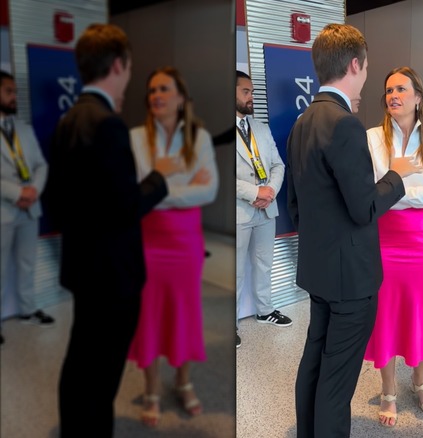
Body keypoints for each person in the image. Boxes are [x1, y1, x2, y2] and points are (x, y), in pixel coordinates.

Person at [45, 23, 182, 437]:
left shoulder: (70, 118)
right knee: (100, 376)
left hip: (83, 266)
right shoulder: (108, 124)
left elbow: (55, 202)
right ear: (119, 64)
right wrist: (159, 178)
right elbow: (125, 207)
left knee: (80, 361)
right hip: (111, 275)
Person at [286, 23, 420, 438]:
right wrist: (397, 176)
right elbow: (364, 208)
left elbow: (294, 205)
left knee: (314, 360)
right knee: (337, 382)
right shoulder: (344, 124)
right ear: (356, 64)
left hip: (318, 270)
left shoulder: (303, 121)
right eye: (367, 72)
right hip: (350, 279)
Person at [126, 66, 219, 426]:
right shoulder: (135, 138)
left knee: (183, 314)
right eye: (151, 91)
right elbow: (135, 194)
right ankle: (151, 387)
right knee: (147, 315)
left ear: (180, 97)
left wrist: (161, 182)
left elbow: (208, 191)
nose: (156, 96)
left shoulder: (200, 138)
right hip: (146, 241)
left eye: (163, 89)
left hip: (184, 243)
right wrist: (183, 182)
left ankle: (183, 381)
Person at [363, 66, 423, 427]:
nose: (393, 95)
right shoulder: (371, 137)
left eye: (401, 88)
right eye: (388, 90)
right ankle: (388, 390)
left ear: (418, 96)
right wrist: (420, 188)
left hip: (421, 241)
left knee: (421, 313)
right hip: (383, 239)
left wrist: (397, 188)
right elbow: (372, 193)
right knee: (384, 314)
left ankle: (420, 381)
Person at [235, 70, 291, 351]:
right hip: (238, 211)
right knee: (233, 271)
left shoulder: (261, 128)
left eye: (252, 91)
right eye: (246, 91)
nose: (251, 97)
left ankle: (264, 310)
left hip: (266, 209)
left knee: (263, 264)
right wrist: (255, 192)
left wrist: (270, 192)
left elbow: (278, 165)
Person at [1, 70, 53, 345]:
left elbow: (41, 165)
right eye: (8, 91)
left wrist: (34, 191)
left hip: (30, 208)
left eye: (15, 91)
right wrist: (18, 193)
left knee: (27, 263)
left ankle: (27, 310)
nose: (14, 96)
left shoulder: (25, 129)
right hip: (4, 210)